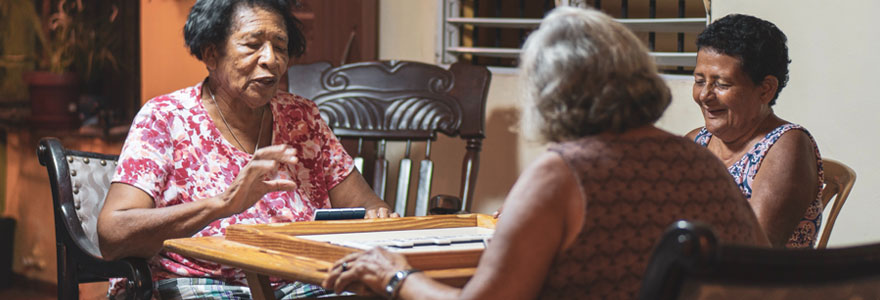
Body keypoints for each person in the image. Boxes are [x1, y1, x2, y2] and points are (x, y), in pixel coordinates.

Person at [321, 7, 769, 300]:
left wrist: (395, 276)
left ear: (550, 94)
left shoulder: (563, 174)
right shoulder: (700, 161)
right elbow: (767, 273)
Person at [97, 0, 396, 298]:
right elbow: (113, 234)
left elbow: (369, 208)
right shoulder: (165, 118)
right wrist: (223, 204)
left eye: (280, 47)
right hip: (201, 281)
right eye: (253, 45)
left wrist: (377, 218)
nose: (271, 60)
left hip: (303, 279)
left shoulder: (302, 118)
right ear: (211, 54)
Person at [685, 14, 824, 248]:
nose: (704, 96)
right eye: (700, 80)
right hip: (700, 277)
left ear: (766, 89)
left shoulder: (787, 146)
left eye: (721, 84)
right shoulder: (696, 141)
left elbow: (754, 252)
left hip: (761, 282)